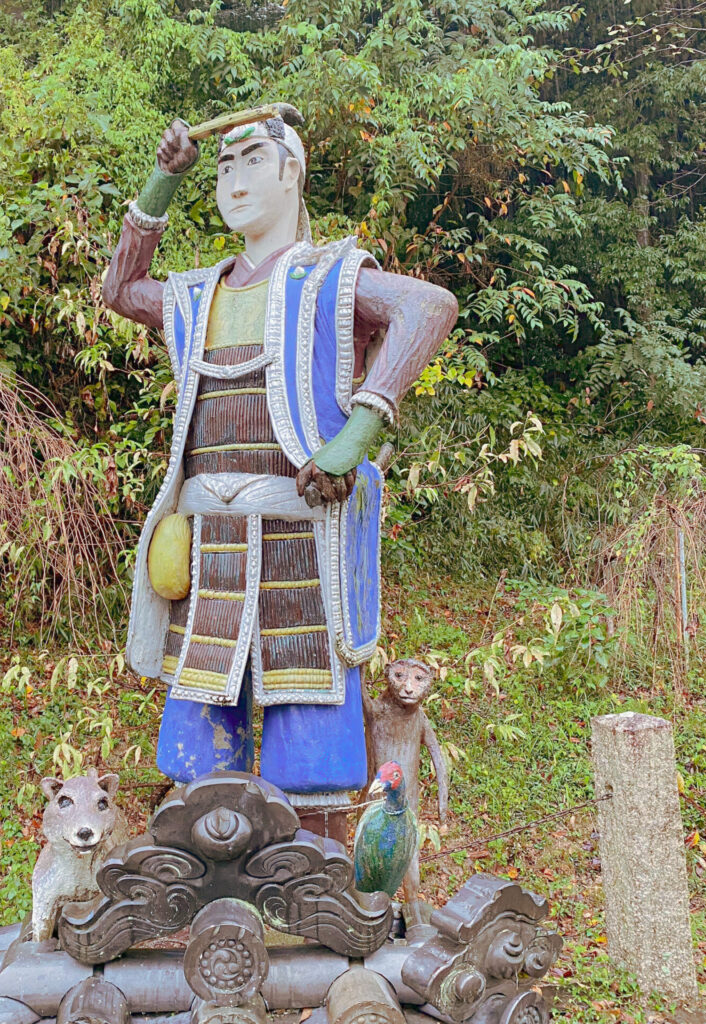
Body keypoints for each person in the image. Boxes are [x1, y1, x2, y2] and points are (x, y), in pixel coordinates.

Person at [103, 110, 458, 839]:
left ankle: (317, 874)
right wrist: (163, 177)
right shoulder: (196, 294)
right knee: (198, 742)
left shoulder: (332, 278)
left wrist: (355, 436)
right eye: (223, 167)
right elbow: (119, 288)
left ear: (291, 171)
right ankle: (205, 870)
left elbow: (428, 306)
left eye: (252, 161)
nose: (233, 180)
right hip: (210, 549)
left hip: (305, 541)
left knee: (312, 741)